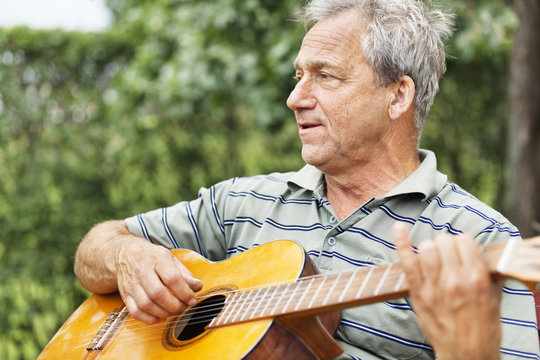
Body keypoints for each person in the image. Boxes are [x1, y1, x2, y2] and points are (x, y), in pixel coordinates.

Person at [74, 0, 540, 359]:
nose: (295, 98)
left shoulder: (481, 237)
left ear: (398, 95)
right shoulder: (241, 201)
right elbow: (92, 250)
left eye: (325, 76)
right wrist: (125, 256)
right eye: (299, 75)